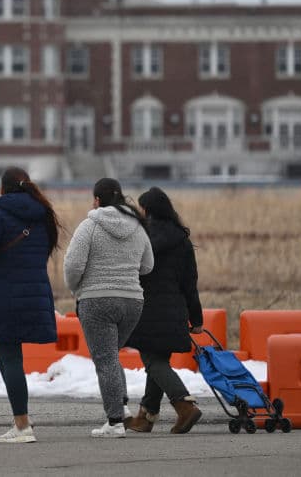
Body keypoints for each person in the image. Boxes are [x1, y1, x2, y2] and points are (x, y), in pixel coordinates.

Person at [0, 166, 64, 444]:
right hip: (35, 291)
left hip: (5, 293)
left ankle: (22, 425)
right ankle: (21, 417)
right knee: (3, 351)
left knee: (9, 355)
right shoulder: (43, 214)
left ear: (2, 188)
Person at [63, 178, 154, 438]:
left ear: (97, 200)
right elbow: (148, 265)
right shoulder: (138, 227)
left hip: (97, 300)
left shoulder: (89, 226)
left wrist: (75, 288)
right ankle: (122, 409)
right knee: (111, 356)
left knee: (105, 359)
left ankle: (114, 422)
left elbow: (73, 265)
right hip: (133, 302)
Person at [124, 186, 204, 434]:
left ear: (147, 210)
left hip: (148, 310)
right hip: (174, 311)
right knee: (157, 361)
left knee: (152, 361)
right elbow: (190, 284)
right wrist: (196, 318)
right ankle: (146, 416)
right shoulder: (182, 240)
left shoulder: (143, 238)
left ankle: (184, 405)